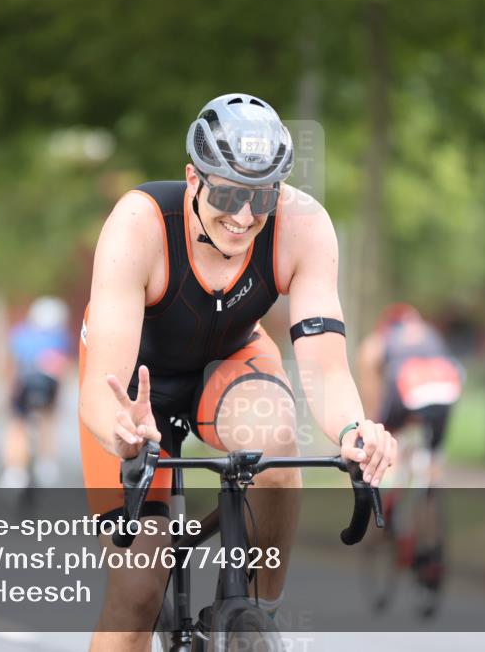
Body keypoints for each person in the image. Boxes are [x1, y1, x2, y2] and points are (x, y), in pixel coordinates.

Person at [78, 93, 397, 651]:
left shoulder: (304, 226)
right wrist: (124, 434)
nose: (245, 216)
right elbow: (100, 386)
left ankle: (255, 616)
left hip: (227, 363)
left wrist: (354, 431)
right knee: (136, 593)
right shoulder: (139, 224)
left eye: (262, 196)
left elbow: (324, 367)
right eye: (226, 193)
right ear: (192, 177)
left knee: (275, 443)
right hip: (133, 388)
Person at [357, 302, 463, 604]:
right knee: (429, 470)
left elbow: (372, 401)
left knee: (385, 443)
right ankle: (430, 551)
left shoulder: (377, 343)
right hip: (445, 392)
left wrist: (371, 433)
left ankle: (391, 501)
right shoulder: (429, 333)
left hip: (407, 396)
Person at [0, 296, 73, 489]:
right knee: (48, 419)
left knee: (17, 424)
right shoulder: (60, 338)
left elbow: (10, 367)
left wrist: (7, 393)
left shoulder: (20, 334)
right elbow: (62, 371)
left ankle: (14, 471)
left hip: (23, 385)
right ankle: (46, 464)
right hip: (48, 386)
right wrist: (59, 400)